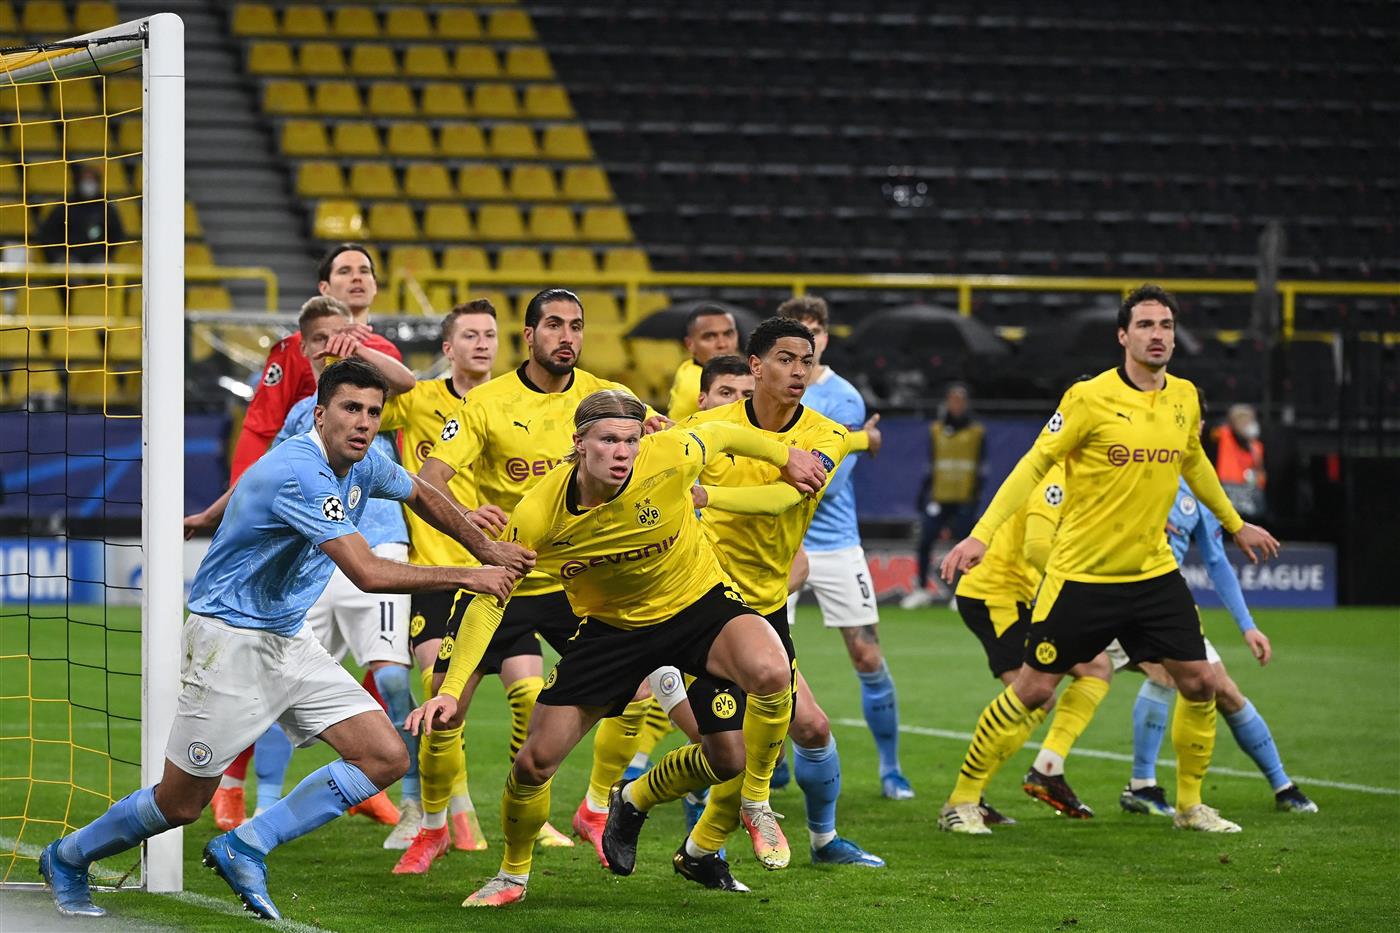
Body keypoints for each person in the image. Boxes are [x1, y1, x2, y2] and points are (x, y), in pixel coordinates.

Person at [40, 360, 532, 921]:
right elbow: (367, 573)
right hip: (226, 641)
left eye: (373, 412)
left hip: (286, 636)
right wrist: (472, 572)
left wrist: (483, 544)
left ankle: (246, 844)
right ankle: (67, 856)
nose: (364, 422)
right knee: (180, 803)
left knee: (385, 755)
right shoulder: (303, 472)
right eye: (350, 408)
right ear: (320, 415)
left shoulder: (364, 461)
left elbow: (419, 492)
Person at [407, 389, 828, 907]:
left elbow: (723, 434)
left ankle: (741, 802)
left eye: (630, 439)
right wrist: (450, 689)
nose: (623, 451)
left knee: (761, 689)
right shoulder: (540, 509)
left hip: (696, 605)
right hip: (613, 630)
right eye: (608, 440)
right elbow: (490, 595)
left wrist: (787, 457)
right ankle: (512, 877)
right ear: (580, 443)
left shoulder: (669, 453)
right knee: (534, 764)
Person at [938, 284, 1280, 835]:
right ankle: (961, 800)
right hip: (1082, 578)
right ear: (1123, 336)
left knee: (1199, 682)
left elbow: (1195, 465)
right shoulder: (1088, 399)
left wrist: (1236, 525)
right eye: (1145, 325)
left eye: (1166, 325)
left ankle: (1190, 807)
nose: (1157, 335)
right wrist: (980, 534)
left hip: (1152, 575)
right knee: (1033, 690)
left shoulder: (1185, 397)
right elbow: (1031, 466)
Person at [417, 288, 668, 862]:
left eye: (576, 326)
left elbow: (668, 447)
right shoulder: (487, 402)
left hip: (574, 585)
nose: (567, 337)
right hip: (499, 582)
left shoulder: (609, 400)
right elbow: (428, 480)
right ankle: (433, 829)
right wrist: (466, 519)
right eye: (553, 325)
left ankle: (596, 808)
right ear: (528, 336)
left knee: (635, 693)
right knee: (443, 707)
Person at [667, 317, 885, 888]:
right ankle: (629, 803)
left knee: (809, 729)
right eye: (785, 359)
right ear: (757, 365)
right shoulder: (703, 430)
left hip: (763, 604)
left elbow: (780, 500)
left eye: (806, 360)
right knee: (719, 747)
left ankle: (824, 839)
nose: (799, 370)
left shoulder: (826, 435)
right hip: (698, 602)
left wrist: (707, 494)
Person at [184, 297, 417, 833]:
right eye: (320, 340)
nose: (331, 346)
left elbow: (404, 384)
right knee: (276, 686)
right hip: (317, 558)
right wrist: (212, 514)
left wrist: (357, 349)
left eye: (342, 336)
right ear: (301, 348)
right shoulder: (301, 415)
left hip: (377, 546)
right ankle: (264, 802)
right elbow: (258, 475)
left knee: (394, 679)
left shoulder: (376, 383)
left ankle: (411, 807)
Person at [380, 300, 502, 867]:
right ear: (447, 348)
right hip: (435, 571)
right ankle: (450, 815)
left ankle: (531, 815)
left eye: (490, 335)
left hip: (501, 570)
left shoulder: (508, 404)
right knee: (438, 690)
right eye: (470, 335)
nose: (482, 344)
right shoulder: (419, 400)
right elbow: (349, 412)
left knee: (529, 694)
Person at [777, 296, 913, 801]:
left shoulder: (845, 400)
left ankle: (891, 769)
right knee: (766, 659)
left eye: (812, 333)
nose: (804, 346)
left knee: (866, 653)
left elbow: (825, 482)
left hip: (832, 542)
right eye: (794, 335)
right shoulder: (763, 391)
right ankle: (772, 765)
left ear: (826, 339)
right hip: (774, 542)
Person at [1118, 474, 1317, 816]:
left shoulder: (1198, 486)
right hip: (1118, 592)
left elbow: (1216, 561)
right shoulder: (1136, 465)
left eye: (1196, 423)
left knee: (1222, 689)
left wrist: (1248, 626)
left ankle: (1283, 785)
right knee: (1160, 675)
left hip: (1165, 606)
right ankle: (1141, 785)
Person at [943, 461, 1114, 830]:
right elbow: (1038, 549)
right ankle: (961, 802)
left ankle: (1041, 770)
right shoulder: (1055, 478)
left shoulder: (1082, 478)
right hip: (993, 594)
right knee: (1033, 692)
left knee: (1089, 671)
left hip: (1021, 597)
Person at [903, 384, 985, 608]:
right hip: (939, 498)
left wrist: (975, 498)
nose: (956, 405)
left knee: (965, 546)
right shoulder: (937, 430)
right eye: (952, 400)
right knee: (925, 542)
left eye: (960, 400)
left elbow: (981, 468)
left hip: (964, 500)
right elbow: (932, 465)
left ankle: (961, 593)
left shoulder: (976, 432)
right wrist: (924, 495)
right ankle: (921, 589)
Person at [666, 304, 740, 421]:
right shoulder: (698, 384)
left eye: (728, 334)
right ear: (690, 344)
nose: (722, 344)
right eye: (710, 337)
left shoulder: (688, 366)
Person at [37, 167, 122, 265]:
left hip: (97, 259)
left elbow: (117, 234)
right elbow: (47, 234)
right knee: (70, 271)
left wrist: (105, 254)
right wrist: (59, 256)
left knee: (106, 269)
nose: (88, 183)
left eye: (91, 180)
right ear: (78, 182)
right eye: (85, 180)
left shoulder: (106, 207)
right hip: (69, 259)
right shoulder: (65, 205)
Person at [1212, 403, 1267, 521]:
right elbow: (1212, 433)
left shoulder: (1256, 447)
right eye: (1241, 420)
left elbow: (1261, 475)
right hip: (1227, 490)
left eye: (1248, 420)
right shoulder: (1223, 434)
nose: (1245, 423)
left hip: (1248, 498)